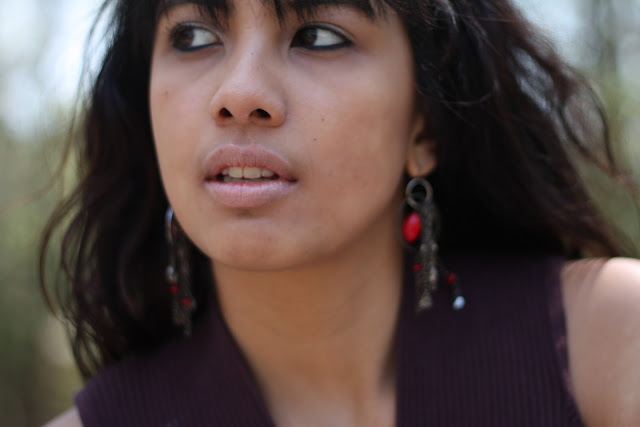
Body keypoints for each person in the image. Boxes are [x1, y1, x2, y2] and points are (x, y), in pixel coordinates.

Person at [43, 0, 640, 425]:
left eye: (318, 36)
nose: (239, 94)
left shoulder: (609, 345)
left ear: (424, 125)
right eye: (193, 35)